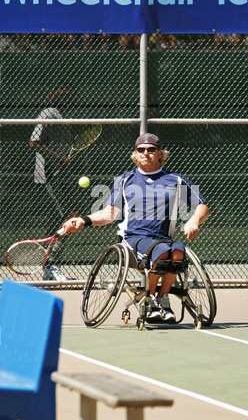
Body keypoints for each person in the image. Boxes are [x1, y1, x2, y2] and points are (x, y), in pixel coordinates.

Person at [63, 133, 210, 322]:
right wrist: (83, 220)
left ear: (160, 154)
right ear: (135, 153)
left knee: (178, 251)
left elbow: (203, 207)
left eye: (151, 149)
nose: (145, 153)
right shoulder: (125, 180)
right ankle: (151, 302)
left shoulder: (176, 180)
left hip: (163, 239)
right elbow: (109, 214)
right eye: (141, 149)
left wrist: (194, 219)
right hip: (133, 240)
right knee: (162, 252)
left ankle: (162, 299)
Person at [29, 88, 75, 281]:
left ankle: (50, 265)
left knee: (64, 217)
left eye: (70, 95)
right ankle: (50, 266)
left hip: (61, 176)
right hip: (49, 176)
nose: (67, 98)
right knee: (62, 217)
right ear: (52, 95)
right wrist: (59, 157)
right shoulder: (48, 112)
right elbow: (34, 142)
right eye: (62, 94)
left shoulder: (65, 116)